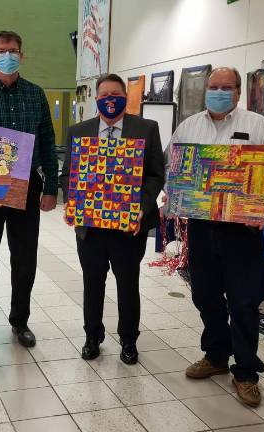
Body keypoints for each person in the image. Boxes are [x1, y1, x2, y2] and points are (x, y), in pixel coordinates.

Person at [165, 67, 264, 407]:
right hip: (202, 227)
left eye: (226, 87)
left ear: (238, 92)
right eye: (214, 87)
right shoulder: (188, 127)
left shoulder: (257, 126)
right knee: (205, 296)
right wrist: (173, 192)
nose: (219, 92)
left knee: (243, 303)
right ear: (205, 90)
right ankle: (216, 356)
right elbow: (172, 167)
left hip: (242, 231)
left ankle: (247, 372)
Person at [59, 73, 165, 364]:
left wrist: (141, 207)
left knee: (128, 283)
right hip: (90, 227)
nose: (110, 100)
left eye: (115, 94)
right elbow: (68, 174)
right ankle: (92, 336)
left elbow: (156, 174)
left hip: (129, 226)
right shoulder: (79, 131)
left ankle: (129, 340)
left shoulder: (146, 129)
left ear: (125, 97)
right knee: (92, 282)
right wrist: (74, 202)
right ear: (96, 99)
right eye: (104, 95)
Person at [0, 30, 59, 350]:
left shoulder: (35, 95)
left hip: (26, 185)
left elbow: (47, 143)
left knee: (24, 260)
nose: (8, 54)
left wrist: (51, 188)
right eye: (2, 50)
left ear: (22, 54)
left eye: (14, 50)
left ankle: (20, 321)